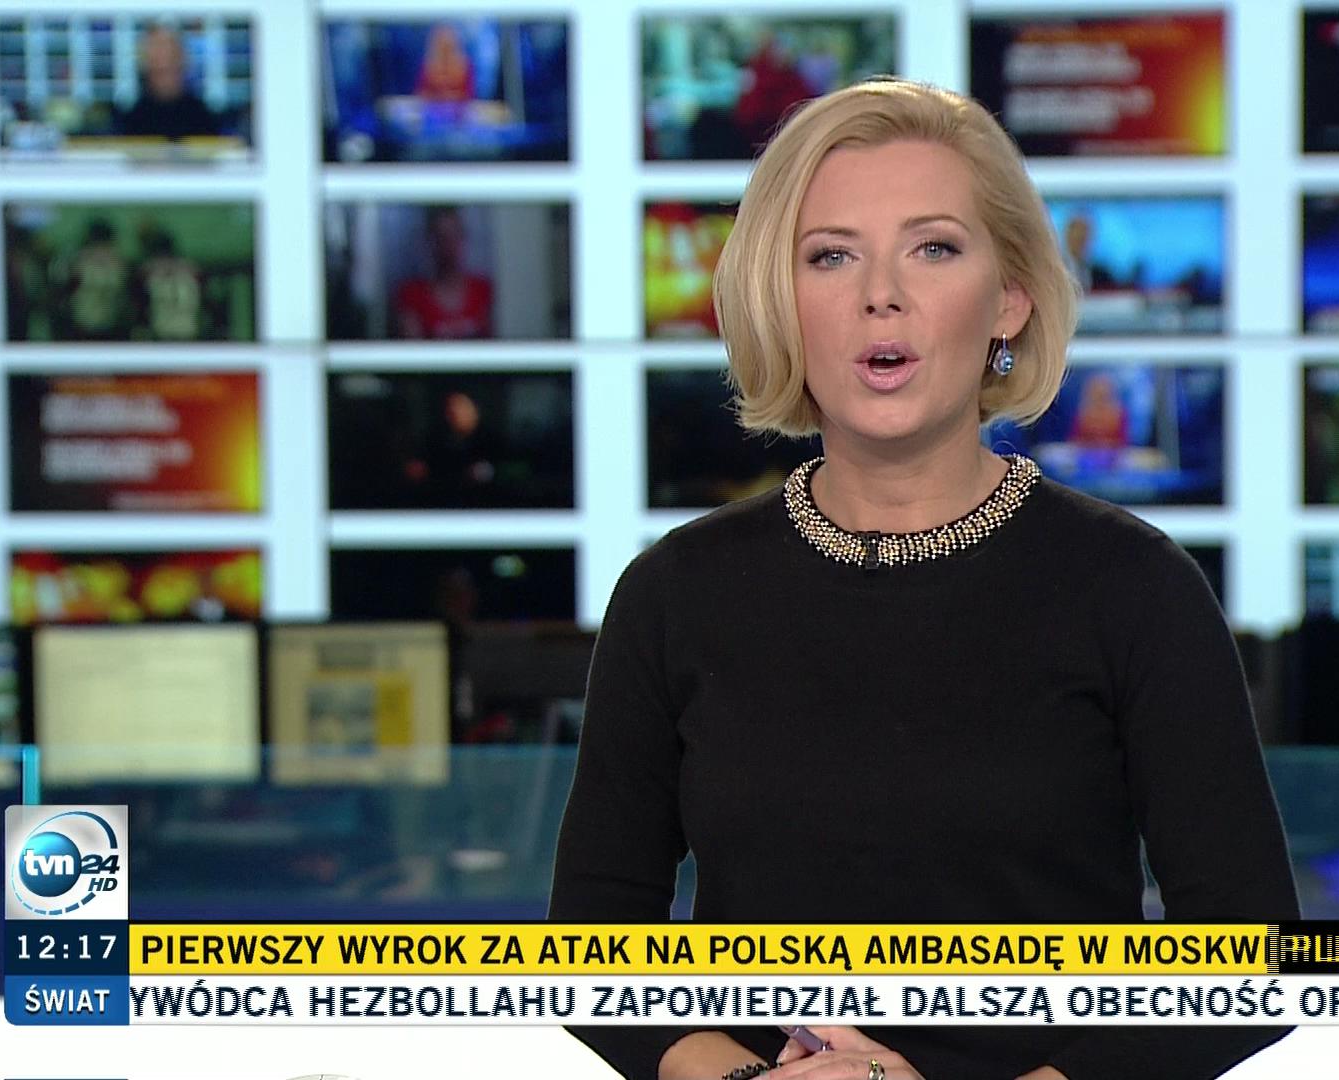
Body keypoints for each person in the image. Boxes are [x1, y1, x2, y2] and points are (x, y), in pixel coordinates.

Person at [549, 78, 1298, 1080]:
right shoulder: (674, 595)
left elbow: (1258, 961)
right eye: (831, 255)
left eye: (933, 248)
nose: (880, 295)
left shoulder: (1133, 588)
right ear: (781, 301)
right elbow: (592, 945)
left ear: (1010, 298)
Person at [393, 206, 495, 339]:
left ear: (463, 240)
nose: (449, 245)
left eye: (454, 236)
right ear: (430, 242)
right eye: (441, 237)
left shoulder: (483, 289)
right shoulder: (411, 295)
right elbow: (413, 347)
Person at [116, 25, 222, 138]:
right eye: (156, 57)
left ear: (184, 60)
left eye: (171, 56)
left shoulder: (206, 120)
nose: (163, 62)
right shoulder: (127, 124)